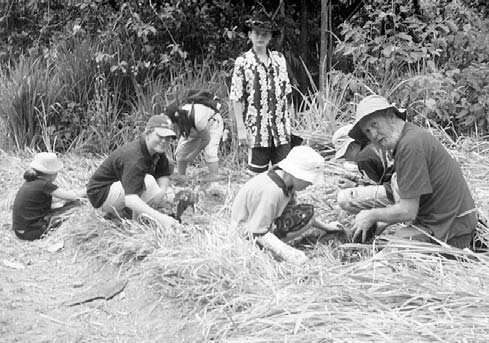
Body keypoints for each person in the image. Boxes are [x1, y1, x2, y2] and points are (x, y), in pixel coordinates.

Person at [347, 95, 477, 248]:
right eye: (368, 131)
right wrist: (383, 222)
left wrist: (372, 215)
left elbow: (408, 211)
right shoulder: (409, 138)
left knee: (383, 264)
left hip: (449, 230)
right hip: (445, 222)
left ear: (391, 117)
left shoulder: (410, 145)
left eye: (375, 125)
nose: (373, 135)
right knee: (385, 243)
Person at [231, 146, 343, 264]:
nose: (310, 183)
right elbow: (257, 232)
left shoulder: (285, 183)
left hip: (262, 226)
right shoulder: (272, 191)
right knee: (303, 217)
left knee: (305, 213)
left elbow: (294, 210)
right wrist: (291, 254)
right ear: (296, 173)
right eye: (309, 179)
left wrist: (326, 227)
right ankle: (267, 254)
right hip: (247, 236)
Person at [86, 114, 180, 229]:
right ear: (148, 133)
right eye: (160, 136)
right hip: (101, 195)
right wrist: (162, 219)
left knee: (166, 194)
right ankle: (133, 222)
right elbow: (131, 199)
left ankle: (131, 215)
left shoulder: (156, 151)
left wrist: (161, 192)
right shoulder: (135, 157)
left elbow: (163, 173)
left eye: (168, 138)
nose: (164, 141)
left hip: (121, 188)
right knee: (148, 182)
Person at [229, 11, 293, 174]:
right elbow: (236, 97)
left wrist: (289, 121)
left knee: (284, 173)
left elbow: (286, 92)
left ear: (270, 37)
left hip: (280, 128)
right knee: (257, 174)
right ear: (250, 35)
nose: (261, 37)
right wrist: (241, 128)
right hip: (257, 128)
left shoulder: (279, 59)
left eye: (265, 34)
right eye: (257, 33)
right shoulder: (243, 62)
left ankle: (287, 200)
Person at [12, 152, 85, 241]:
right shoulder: (45, 185)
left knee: (61, 205)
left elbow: (54, 200)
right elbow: (72, 196)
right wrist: (89, 189)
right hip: (32, 232)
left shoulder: (30, 182)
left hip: (19, 232)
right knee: (75, 204)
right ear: (52, 174)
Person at [333, 124, 397, 212]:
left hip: (399, 192)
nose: (345, 158)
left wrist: (353, 186)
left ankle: (375, 220)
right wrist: (355, 179)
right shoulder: (377, 144)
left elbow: (374, 188)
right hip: (407, 183)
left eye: (344, 154)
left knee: (345, 198)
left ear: (352, 146)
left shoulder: (363, 158)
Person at [164, 90, 224, 182]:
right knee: (181, 151)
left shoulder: (197, 119)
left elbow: (206, 139)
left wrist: (193, 154)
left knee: (210, 151)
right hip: (194, 126)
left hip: (213, 123)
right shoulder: (183, 116)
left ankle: (214, 175)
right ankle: (181, 175)